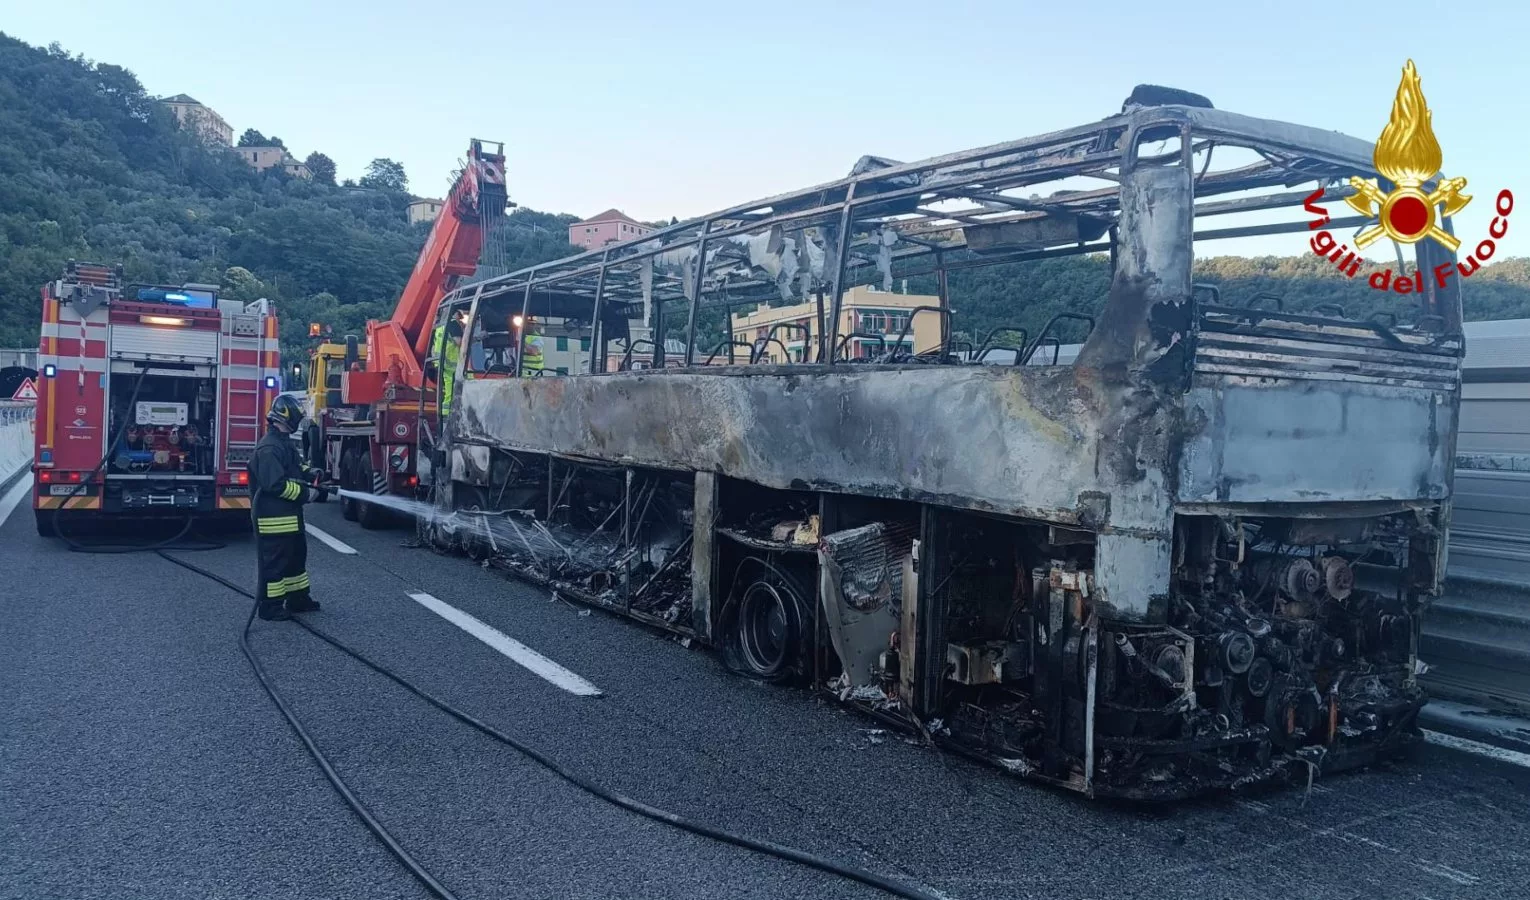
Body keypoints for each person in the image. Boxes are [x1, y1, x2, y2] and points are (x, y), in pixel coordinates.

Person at [249, 394, 325, 621]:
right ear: (286, 418)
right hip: (274, 520)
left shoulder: (284, 443)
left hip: (290, 517)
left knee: (295, 559)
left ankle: (298, 599)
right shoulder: (269, 448)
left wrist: (312, 473)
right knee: (275, 565)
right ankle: (269, 607)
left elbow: (297, 467)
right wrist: (307, 493)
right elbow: (275, 484)